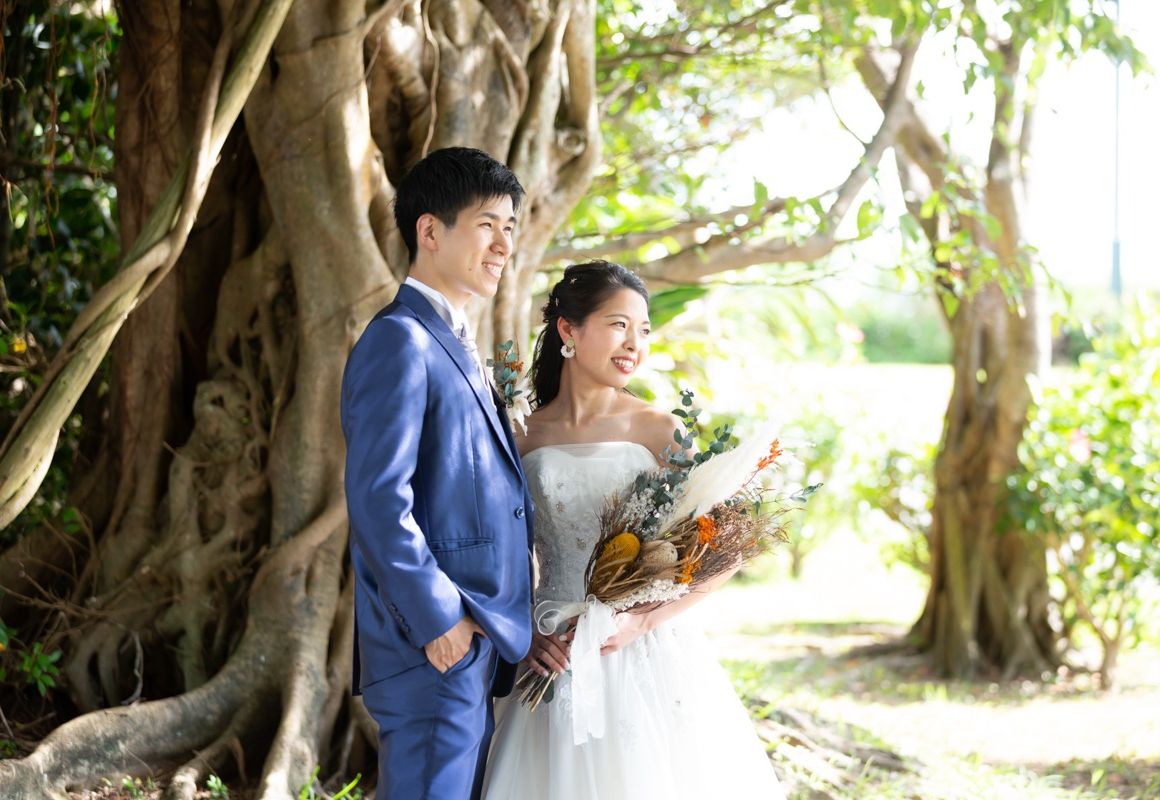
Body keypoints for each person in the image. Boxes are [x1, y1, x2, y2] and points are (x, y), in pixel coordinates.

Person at [481, 260, 785, 799]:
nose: (634, 344)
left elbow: (725, 550)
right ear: (569, 330)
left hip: (645, 652)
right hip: (552, 649)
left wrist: (642, 623)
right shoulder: (521, 433)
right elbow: (499, 549)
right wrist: (525, 629)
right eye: (618, 324)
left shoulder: (659, 429)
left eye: (643, 330)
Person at [341, 147, 534, 800]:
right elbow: (377, 498)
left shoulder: (455, 340)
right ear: (430, 231)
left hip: (472, 642)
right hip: (433, 645)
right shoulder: (400, 339)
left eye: (510, 227)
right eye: (487, 225)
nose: (503, 244)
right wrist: (439, 621)